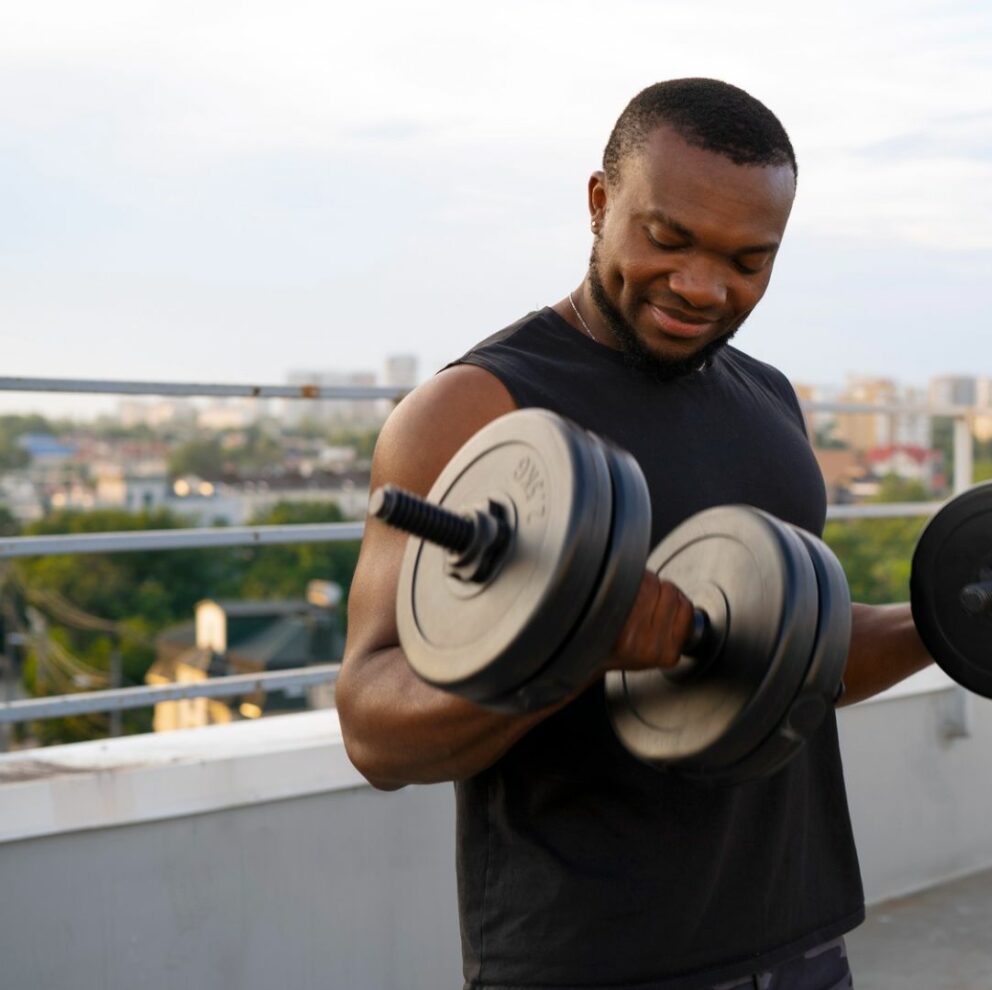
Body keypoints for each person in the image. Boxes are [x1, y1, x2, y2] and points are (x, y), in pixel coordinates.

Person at [337, 78, 933, 990]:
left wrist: (958, 617)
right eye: (668, 239)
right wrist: (571, 647)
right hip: (591, 960)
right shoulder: (475, 409)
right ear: (599, 201)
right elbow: (375, 731)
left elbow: (784, 653)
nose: (702, 287)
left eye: (748, 261)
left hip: (798, 937)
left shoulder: (769, 400)